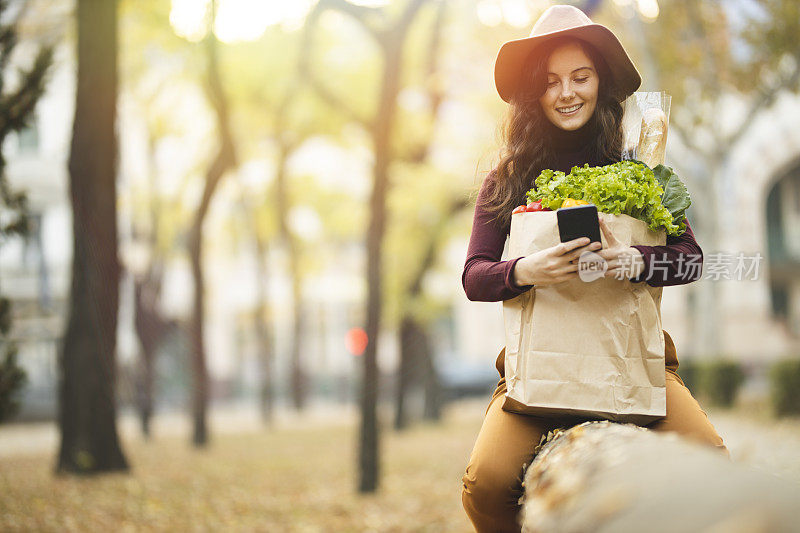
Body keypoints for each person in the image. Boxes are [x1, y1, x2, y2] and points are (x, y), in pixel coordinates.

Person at [459, 6, 730, 533]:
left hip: (631, 362)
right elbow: (474, 275)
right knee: (484, 486)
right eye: (551, 82)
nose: (567, 92)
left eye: (580, 77)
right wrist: (525, 270)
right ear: (533, 94)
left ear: (600, 83)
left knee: (711, 465)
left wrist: (639, 260)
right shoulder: (507, 180)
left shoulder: (642, 172)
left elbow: (691, 259)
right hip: (537, 371)